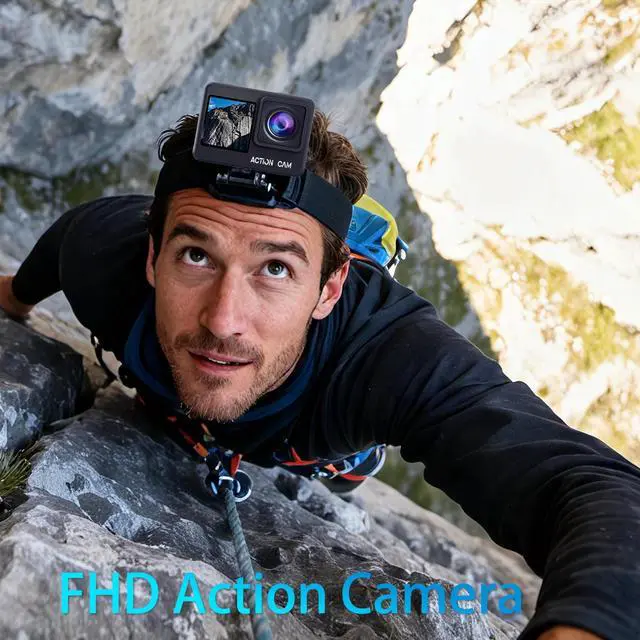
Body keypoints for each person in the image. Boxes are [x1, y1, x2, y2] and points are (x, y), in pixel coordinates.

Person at [0, 110, 637, 640]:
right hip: (205, 392)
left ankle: (343, 457)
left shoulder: (386, 354)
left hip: (317, 432)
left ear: (330, 288)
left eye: (276, 269)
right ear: (152, 258)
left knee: (343, 469)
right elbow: (59, 245)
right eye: (196, 255)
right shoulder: (101, 253)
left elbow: (585, 484)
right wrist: (15, 300)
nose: (224, 319)